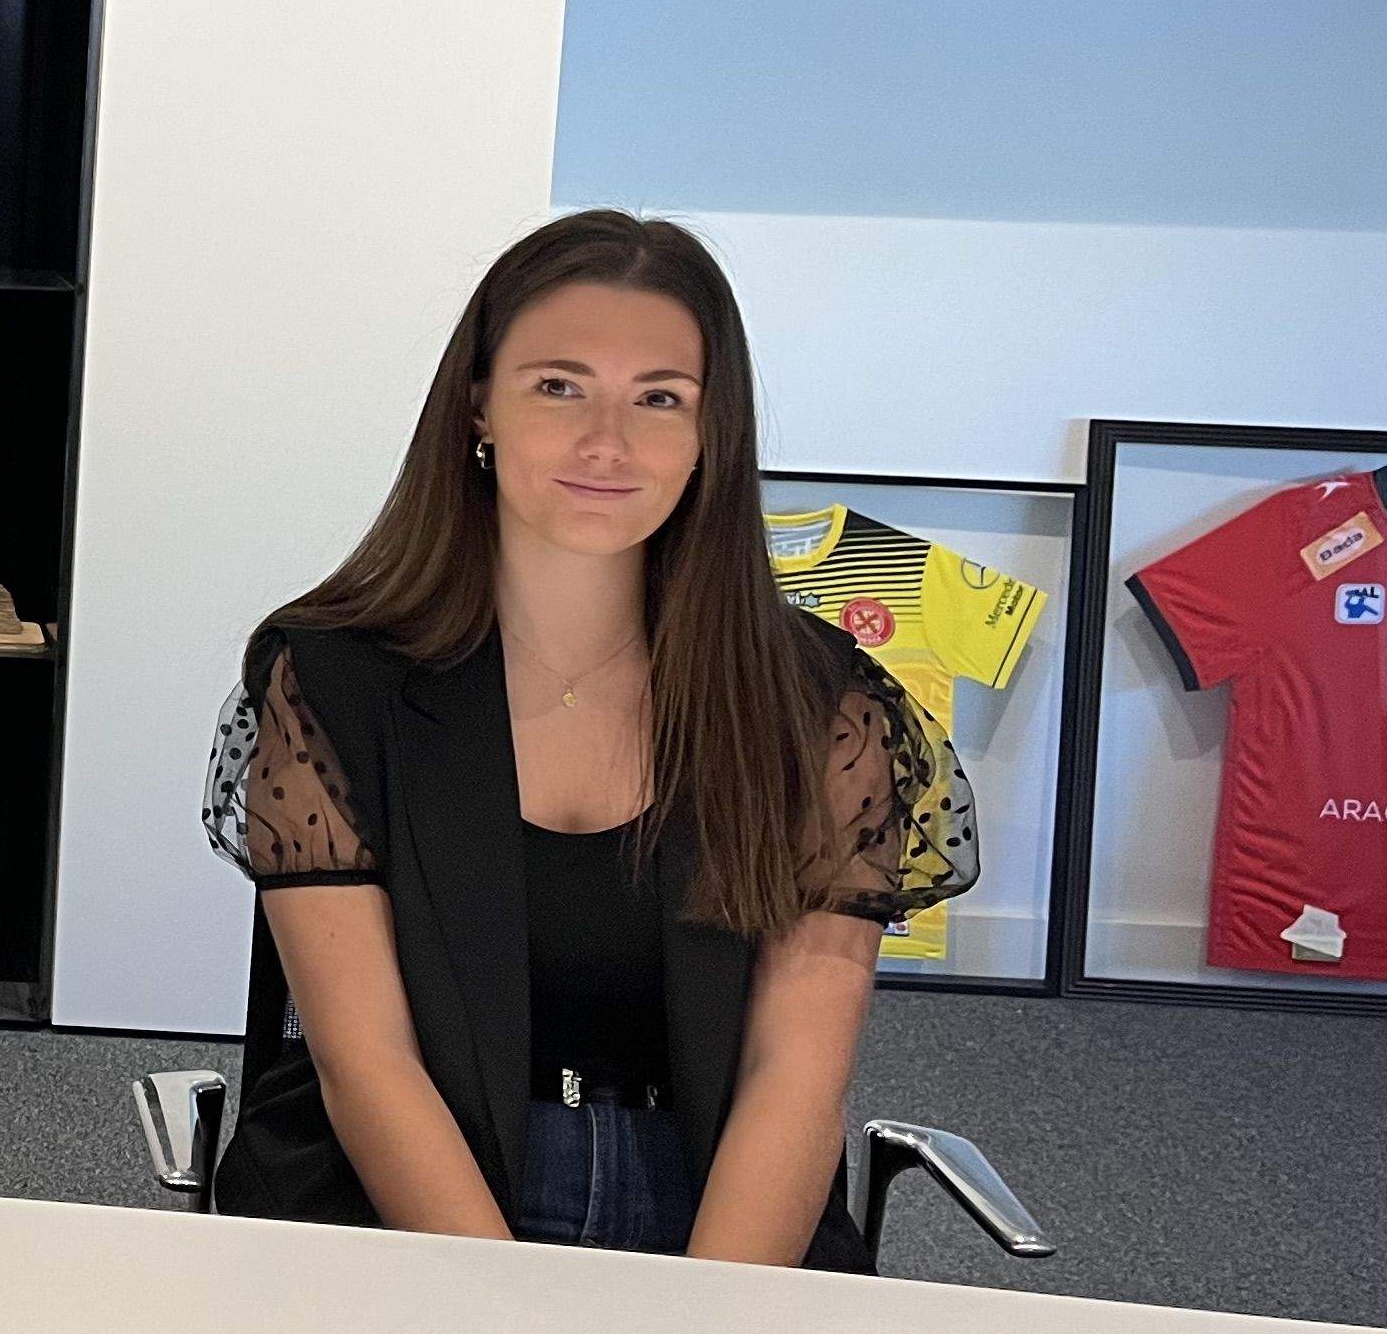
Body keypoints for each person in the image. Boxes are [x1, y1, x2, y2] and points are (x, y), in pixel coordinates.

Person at [201, 210, 967, 1267]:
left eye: (660, 398)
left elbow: (795, 1076)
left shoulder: (816, 702)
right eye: (559, 387)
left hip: (714, 1197)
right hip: (400, 1201)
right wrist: (501, 1310)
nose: (607, 442)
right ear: (480, 405)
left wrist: (708, 1320)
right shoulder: (332, 679)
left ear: (711, 432)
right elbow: (364, 1062)